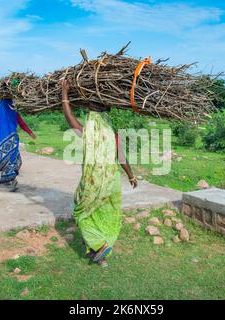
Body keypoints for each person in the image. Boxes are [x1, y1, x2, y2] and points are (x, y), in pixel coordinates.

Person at [61, 79, 138, 267]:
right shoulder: (112, 131)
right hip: (112, 181)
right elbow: (121, 156)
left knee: (81, 211)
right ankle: (100, 255)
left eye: (90, 103)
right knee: (104, 213)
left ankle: (99, 245)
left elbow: (70, 120)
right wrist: (131, 175)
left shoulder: (89, 129)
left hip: (93, 181)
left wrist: (64, 94)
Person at [0, 84, 36, 191]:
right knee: (11, 159)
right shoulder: (13, 113)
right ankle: (10, 180)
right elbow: (22, 124)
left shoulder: (0, 112)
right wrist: (30, 133)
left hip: (2, 140)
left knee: (5, 158)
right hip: (11, 140)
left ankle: (10, 180)